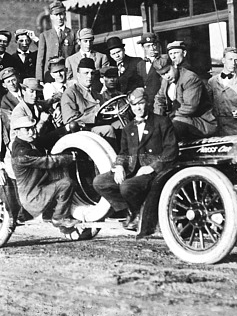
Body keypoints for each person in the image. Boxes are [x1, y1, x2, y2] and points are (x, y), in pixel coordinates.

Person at [93, 88, 178, 231]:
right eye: (134, 105)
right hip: (133, 170)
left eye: (141, 103)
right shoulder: (128, 128)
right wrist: (119, 166)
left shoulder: (162, 122)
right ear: (130, 107)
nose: (138, 108)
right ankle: (132, 211)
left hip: (156, 173)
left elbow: (171, 150)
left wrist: (152, 167)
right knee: (100, 182)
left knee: (127, 186)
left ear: (148, 103)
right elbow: (124, 152)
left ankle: (139, 213)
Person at [11, 115, 79, 229]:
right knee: (67, 183)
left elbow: (46, 139)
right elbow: (48, 161)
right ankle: (58, 218)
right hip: (33, 198)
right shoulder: (22, 153)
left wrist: (66, 128)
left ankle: (57, 212)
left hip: (39, 189)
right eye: (27, 129)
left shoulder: (27, 143)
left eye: (32, 128)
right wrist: (70, 158)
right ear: (17, 132)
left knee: (62, 180)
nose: (31, 132)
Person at [154, 55, 217, 140]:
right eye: (162, 74)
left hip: (201, 122)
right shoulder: (165, 81)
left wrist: (168, 119)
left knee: (170, 129)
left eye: (168, 71)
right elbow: (159, 99)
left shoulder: (190, 79)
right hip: (179, 118)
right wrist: (158, 120)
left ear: (174, 64)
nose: (166, 76)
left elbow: (190, 107)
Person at [61, 57, 117, 145]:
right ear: (78, 75)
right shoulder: (70, 93)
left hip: (97, 127)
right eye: (86, 73)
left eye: (92, 73)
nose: (90, 76)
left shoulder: (96, 93)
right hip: (84, 131)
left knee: (122, 125)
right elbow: (70, 120)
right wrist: (94, 115)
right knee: (108, 129)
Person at [207, 47, 237, 136]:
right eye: (230, 59)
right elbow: (207, 103)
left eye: (236, 60)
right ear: (223, 60)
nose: (233, 63)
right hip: (217, 129)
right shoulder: (212, 82)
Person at [36, 0, 76, 82]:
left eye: (61, 14)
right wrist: (39, 80)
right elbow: (40, 60)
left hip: (68, 76)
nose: (59, 17)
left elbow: (75, 57)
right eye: (56, 15)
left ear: (64, 15)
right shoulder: (45, 35)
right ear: (51, 16)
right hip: (50, 77)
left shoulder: (72, 34)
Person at [65, 28, 109, 92]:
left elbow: (106, 78)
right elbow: (68, 80)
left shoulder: (101, 57)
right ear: (79, 42)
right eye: (85, 41)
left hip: (96, 93)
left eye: (90, 41)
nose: (88, 44)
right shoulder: (70, 60)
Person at [136, 32, 165, 109]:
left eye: (153, 45)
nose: (152, 48)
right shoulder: (140, 64)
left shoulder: (163, 61)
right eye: (148, 46)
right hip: (145, 104)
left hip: (159, 102)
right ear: (143, 47)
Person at [42, 57, 68, 128]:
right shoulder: (49, 87)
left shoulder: (72, 84)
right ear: (51, 75)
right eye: (55, 72)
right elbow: (52, 104)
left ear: (66, 70)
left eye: (61, 71)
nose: (59, 74)